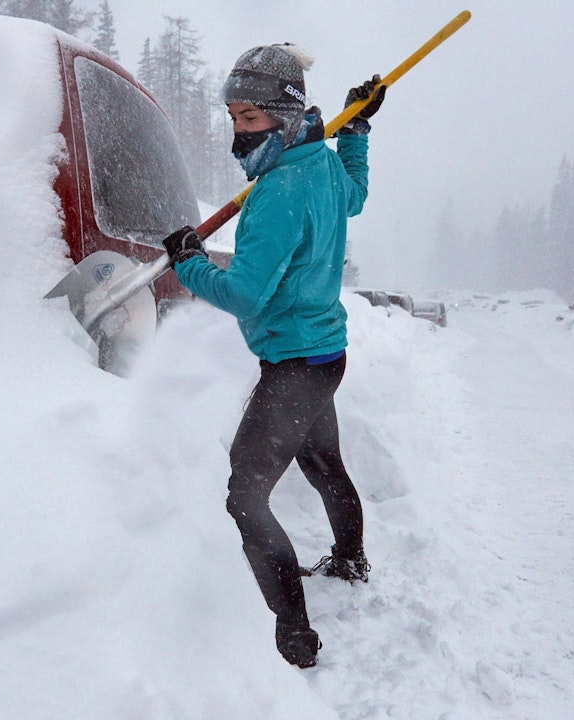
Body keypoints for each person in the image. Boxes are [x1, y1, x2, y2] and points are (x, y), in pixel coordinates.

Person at [160, 43, 384, 669]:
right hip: (323, 354)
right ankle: (350, 559)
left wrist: (188, 262)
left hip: (293, 364)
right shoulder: (320, 162)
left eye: (251, 117)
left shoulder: (279, 190)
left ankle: (294, 633)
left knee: (243, 494)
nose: (239, 131)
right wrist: (356, 133)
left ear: (284, 117)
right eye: (233, 117)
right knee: (321, 461)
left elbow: (244, 295)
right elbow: (355, 195)